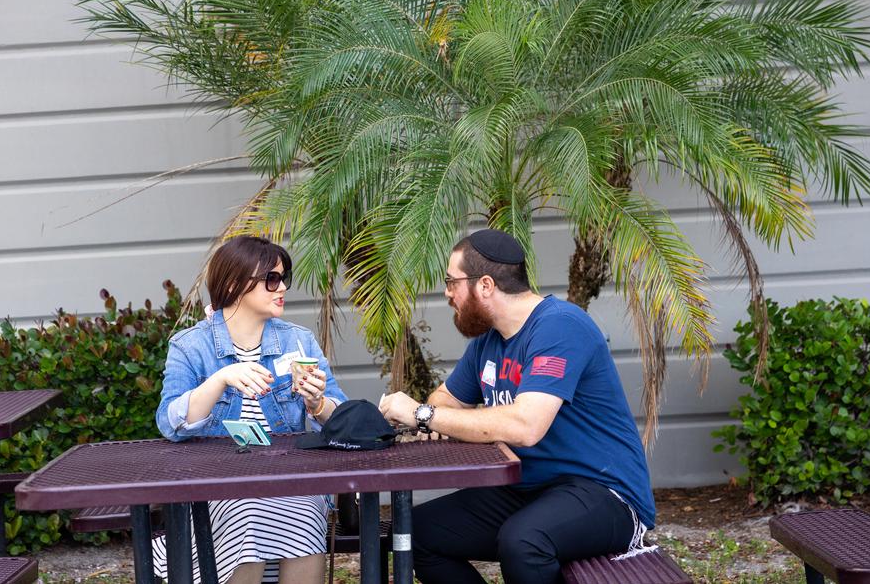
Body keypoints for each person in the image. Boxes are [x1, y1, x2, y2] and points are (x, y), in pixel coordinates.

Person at [379, 228, 655, 584]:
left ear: (486, 285)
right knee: (416, 532)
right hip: (527, 489)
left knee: (524, 542)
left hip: (604, 492)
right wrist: (435, 413)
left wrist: (423, 415)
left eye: (451, 282)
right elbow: (444, 399)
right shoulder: (488, 342)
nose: (447, 293)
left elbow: (526, 426)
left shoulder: (560, 327)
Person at [155, 235, 347, 584]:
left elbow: (343, 418)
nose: (282, 287)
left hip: (288, 478)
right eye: (271, 279)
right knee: (247, 511)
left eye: (284, 278)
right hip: (217, 483)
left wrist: (318, 404)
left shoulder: (298, 340)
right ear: (233, 283)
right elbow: (170, 422)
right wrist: (220, 379)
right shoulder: (190, 346)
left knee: (305, 508)